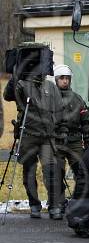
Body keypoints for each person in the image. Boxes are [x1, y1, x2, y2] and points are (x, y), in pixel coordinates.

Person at [3, 72, 64, 219]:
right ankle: (34, 205)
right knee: (29, 171)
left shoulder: (50, 86)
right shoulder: (21, 84)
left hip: (47, 136)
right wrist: (15, 76)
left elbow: (58, 108)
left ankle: (54, 206)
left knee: (51, 171)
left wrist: (53, 125)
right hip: (28, 135)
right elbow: (7, 95)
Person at [54, 64, 89, 211]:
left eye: (67, 78)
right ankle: (59, 202)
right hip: (56, 141)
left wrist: (87, 140)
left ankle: (80, 199)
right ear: (56, 79)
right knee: (56, 172)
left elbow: (86, 121)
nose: (65, 81)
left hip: (75, 140)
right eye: (62, 78)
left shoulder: (77, 99)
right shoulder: (50, 99)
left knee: (82, 171)